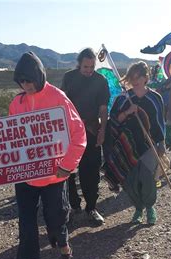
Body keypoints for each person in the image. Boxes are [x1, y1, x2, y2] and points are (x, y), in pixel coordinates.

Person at [0, 52, 86, 259]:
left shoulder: (58, 97)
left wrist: (67, 167)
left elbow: (79, 133)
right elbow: (13, 137)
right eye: (22, 83)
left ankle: (65, 250)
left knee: (56, 220)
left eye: (30, 82)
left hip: (54, 176)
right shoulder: (17, 103)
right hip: (26, 177)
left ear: (39, 76)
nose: (26, 87)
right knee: (27, 228)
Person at [103, 61, 165, 225]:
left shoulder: (155, 98)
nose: (136, 80)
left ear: (146, 78)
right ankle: (138, 208)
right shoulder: (123, 99)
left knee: (147, 178)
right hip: (125, 146)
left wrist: (161, 143)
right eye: (132, 77)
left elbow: (160, 122)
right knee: (130, 181)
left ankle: (150, 207)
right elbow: (114, 122)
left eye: (139, 77)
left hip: (148, 145)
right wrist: (127, 112)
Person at [61, 48, 110, 225]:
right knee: (68, 171)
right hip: (70, 131)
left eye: (91, 66)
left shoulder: (100, 80)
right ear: (79, 64)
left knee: (91, 172)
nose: (89, 70)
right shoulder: (69, 78)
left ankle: (91, 208)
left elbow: (103, 108)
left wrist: (103, 130)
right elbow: (62, 104)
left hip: (91, 130)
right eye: (85, 67)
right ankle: (73, 207)